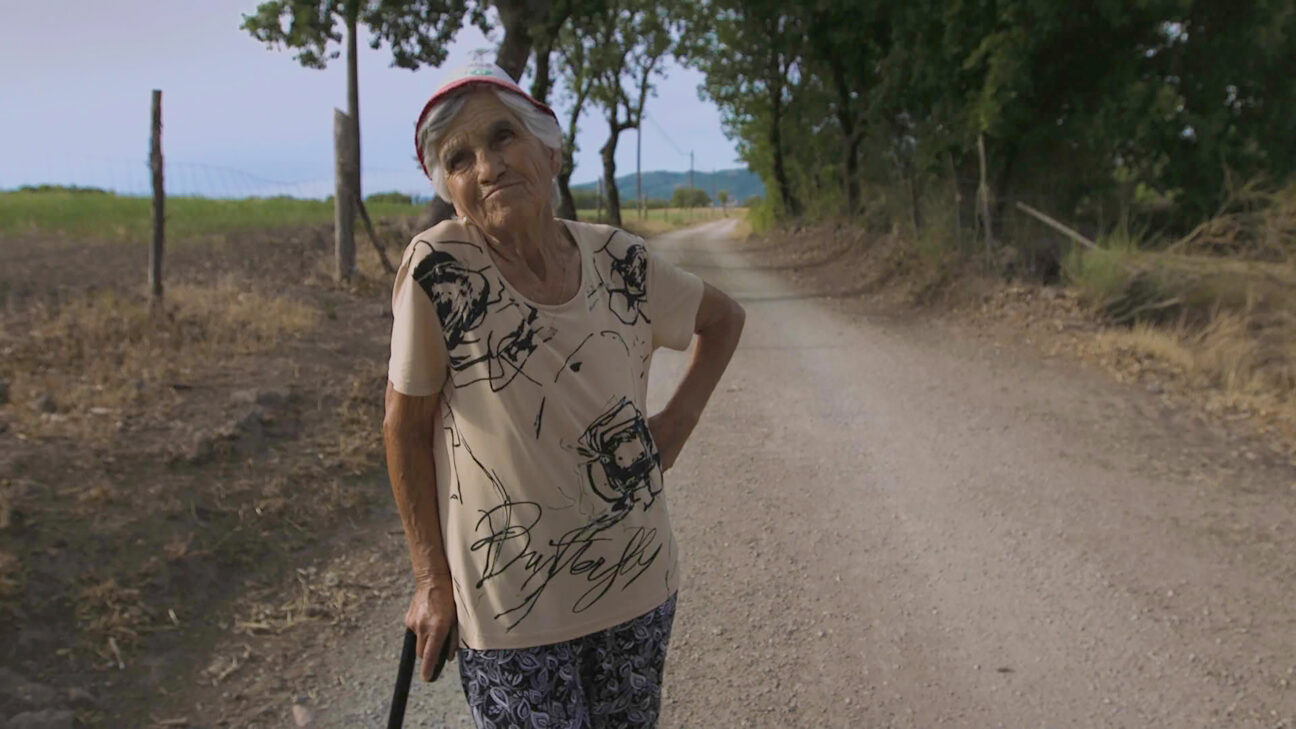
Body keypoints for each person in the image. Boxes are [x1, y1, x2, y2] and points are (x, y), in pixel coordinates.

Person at [383, 59, 746, 729]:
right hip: (511, 613)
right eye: (459, 159)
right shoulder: (440, 270)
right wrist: (431, 580)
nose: (486, 166)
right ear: (450, 191)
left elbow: (723, 320)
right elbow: (404, 429)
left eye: (503, 136)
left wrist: (676, 424)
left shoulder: (619, 259)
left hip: (637, 585)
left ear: (551, 152)